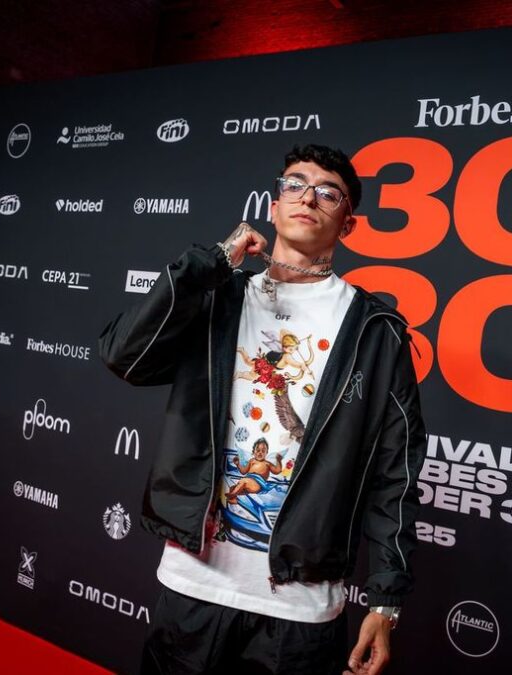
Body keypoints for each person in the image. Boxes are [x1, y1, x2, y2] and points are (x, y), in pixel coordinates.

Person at [98, 144, 426, 675]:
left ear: (348, 224)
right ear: (273, 206)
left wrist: (386, 599)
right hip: (194, 586)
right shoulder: (218, 298)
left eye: (328, 193)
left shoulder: (375, 332)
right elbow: (123, 356)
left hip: (300, 607)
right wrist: (209, 264)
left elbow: (396, 474)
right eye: (295, 185)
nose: (308, 198)